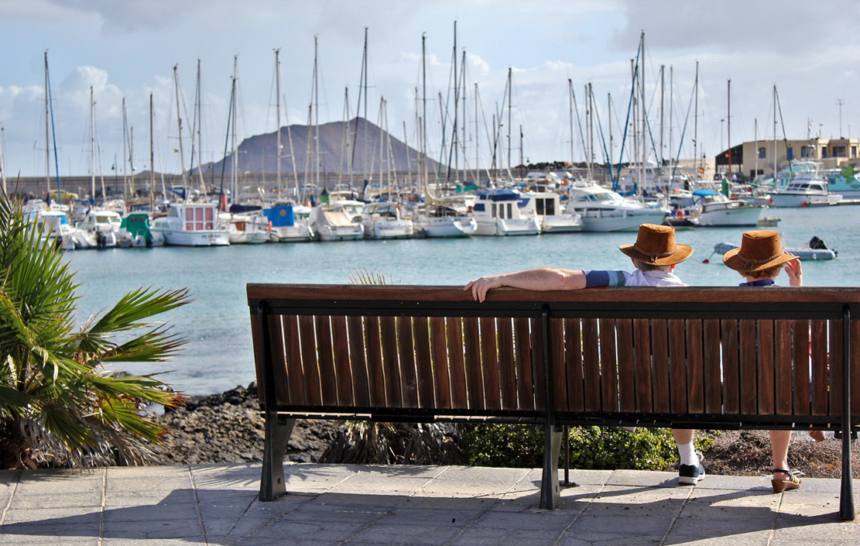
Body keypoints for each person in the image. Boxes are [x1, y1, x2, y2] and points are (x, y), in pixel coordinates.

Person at [465, 223, 706, 486]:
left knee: (644, 369)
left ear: (635, 261)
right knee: (679, 376)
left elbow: (561, 279)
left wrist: (500, 278)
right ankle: (689, 462)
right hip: (679, 393)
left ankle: (632, 407)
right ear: (673, 265)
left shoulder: (623, 281)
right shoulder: (691, 295)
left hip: (628, 388)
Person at [723, 230, 824, 493]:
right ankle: (808, 417)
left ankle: (784, 464)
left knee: (775, 379)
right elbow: (807, 340)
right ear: (779, 268)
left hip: (739, 390)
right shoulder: (788, 300)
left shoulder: (726, 302)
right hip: (787, 392)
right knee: (797, 373)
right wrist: (797, 287)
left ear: (740, 269)